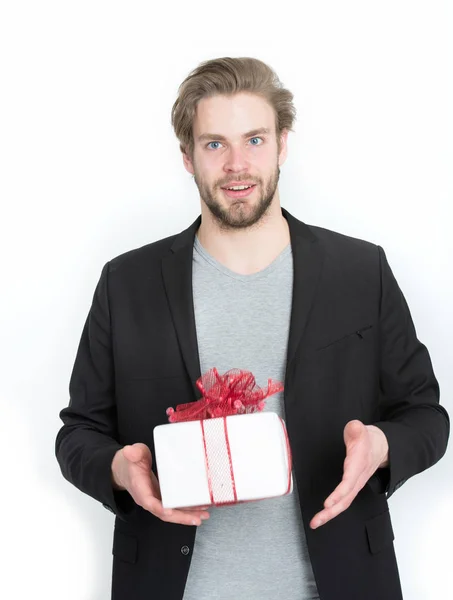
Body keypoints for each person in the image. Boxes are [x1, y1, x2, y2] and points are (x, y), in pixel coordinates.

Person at [55, 57, 449, 600]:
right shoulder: (127, 284)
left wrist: (381, 445)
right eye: (214, 144)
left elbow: (426, 416)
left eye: (255, 140)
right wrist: (120, 469)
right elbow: (78, 432)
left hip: (338, 584)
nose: (237, 164)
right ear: (188, 157)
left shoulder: (361, 272)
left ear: (283, 145)